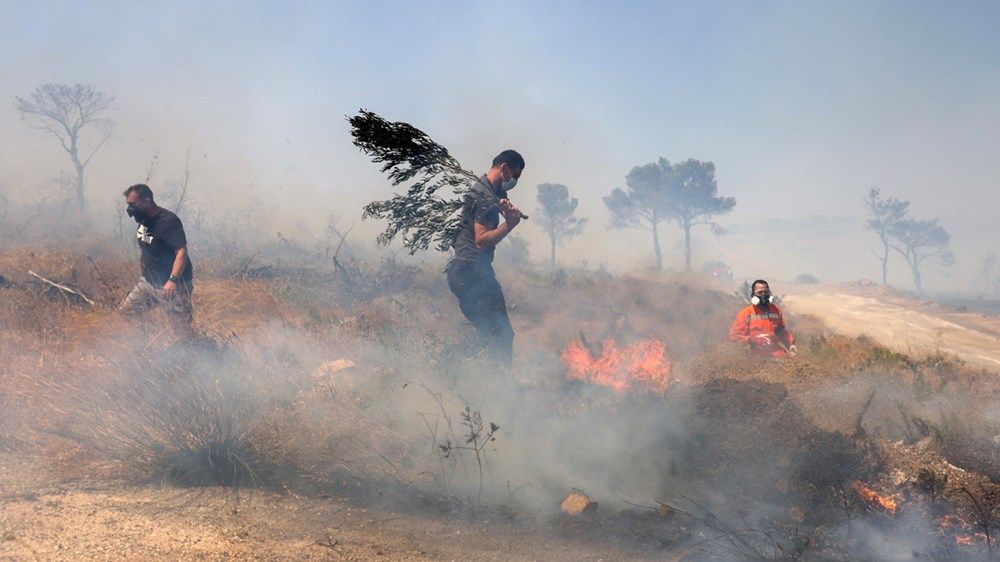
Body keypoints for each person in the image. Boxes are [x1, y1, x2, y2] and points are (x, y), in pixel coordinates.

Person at [446, 150, 526, 366]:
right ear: (505, 168)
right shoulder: (483, 196)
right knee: (497, 333)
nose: (513, 182)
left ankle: (449, 366)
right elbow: (481, 241)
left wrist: (505, 205)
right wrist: (509, 225)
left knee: (493, 332)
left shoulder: (488, 189)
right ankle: (449, 364)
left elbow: (497, 202)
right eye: (514, 176)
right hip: (471, 272)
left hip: (472, 271)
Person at [117, 183, 195, 339]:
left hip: (172, 285)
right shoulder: (144, 219)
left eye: (133, 204)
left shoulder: (168, 221)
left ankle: (193, 356)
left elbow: (181, 251)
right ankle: (152, 340)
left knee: (181, 330)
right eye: (128, 205)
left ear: (147, 201)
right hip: (148, 282)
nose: (130, 209)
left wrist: (173, 280)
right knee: (127, 311)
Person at [729, 279, 796, 358]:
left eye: (766, 292)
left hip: (776, 353)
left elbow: (781, 332)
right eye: (760, 292)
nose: (763, 295)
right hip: (754, 356)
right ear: (753, 295)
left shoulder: (776, 311)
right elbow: (735, 336)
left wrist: (791, 344)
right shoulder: (746, 313)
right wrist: (752, 339)